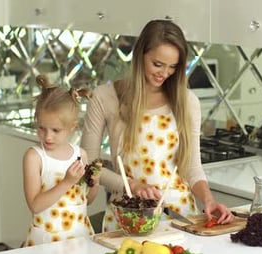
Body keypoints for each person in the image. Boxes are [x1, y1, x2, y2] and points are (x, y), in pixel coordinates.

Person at [81, 19, 233, 233]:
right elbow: (88, 164)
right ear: (140, 54)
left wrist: (208, 199)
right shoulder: (105, 97)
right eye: (158, 64)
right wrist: (131, 186)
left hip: (180, 219)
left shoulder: (187, 102)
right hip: (128, 217)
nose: (164, 73)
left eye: (173, 67)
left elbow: (192, 167)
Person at [22, 74, 100, 246]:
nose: (47, 136)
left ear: (72, 127)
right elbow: (35, 205)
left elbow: (87, 200)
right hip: (47, 240)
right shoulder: (34, 157)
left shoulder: (81, 154)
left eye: (55, 130)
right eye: (42, 128)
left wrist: (94, 184)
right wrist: (67, 182)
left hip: (80, 235)